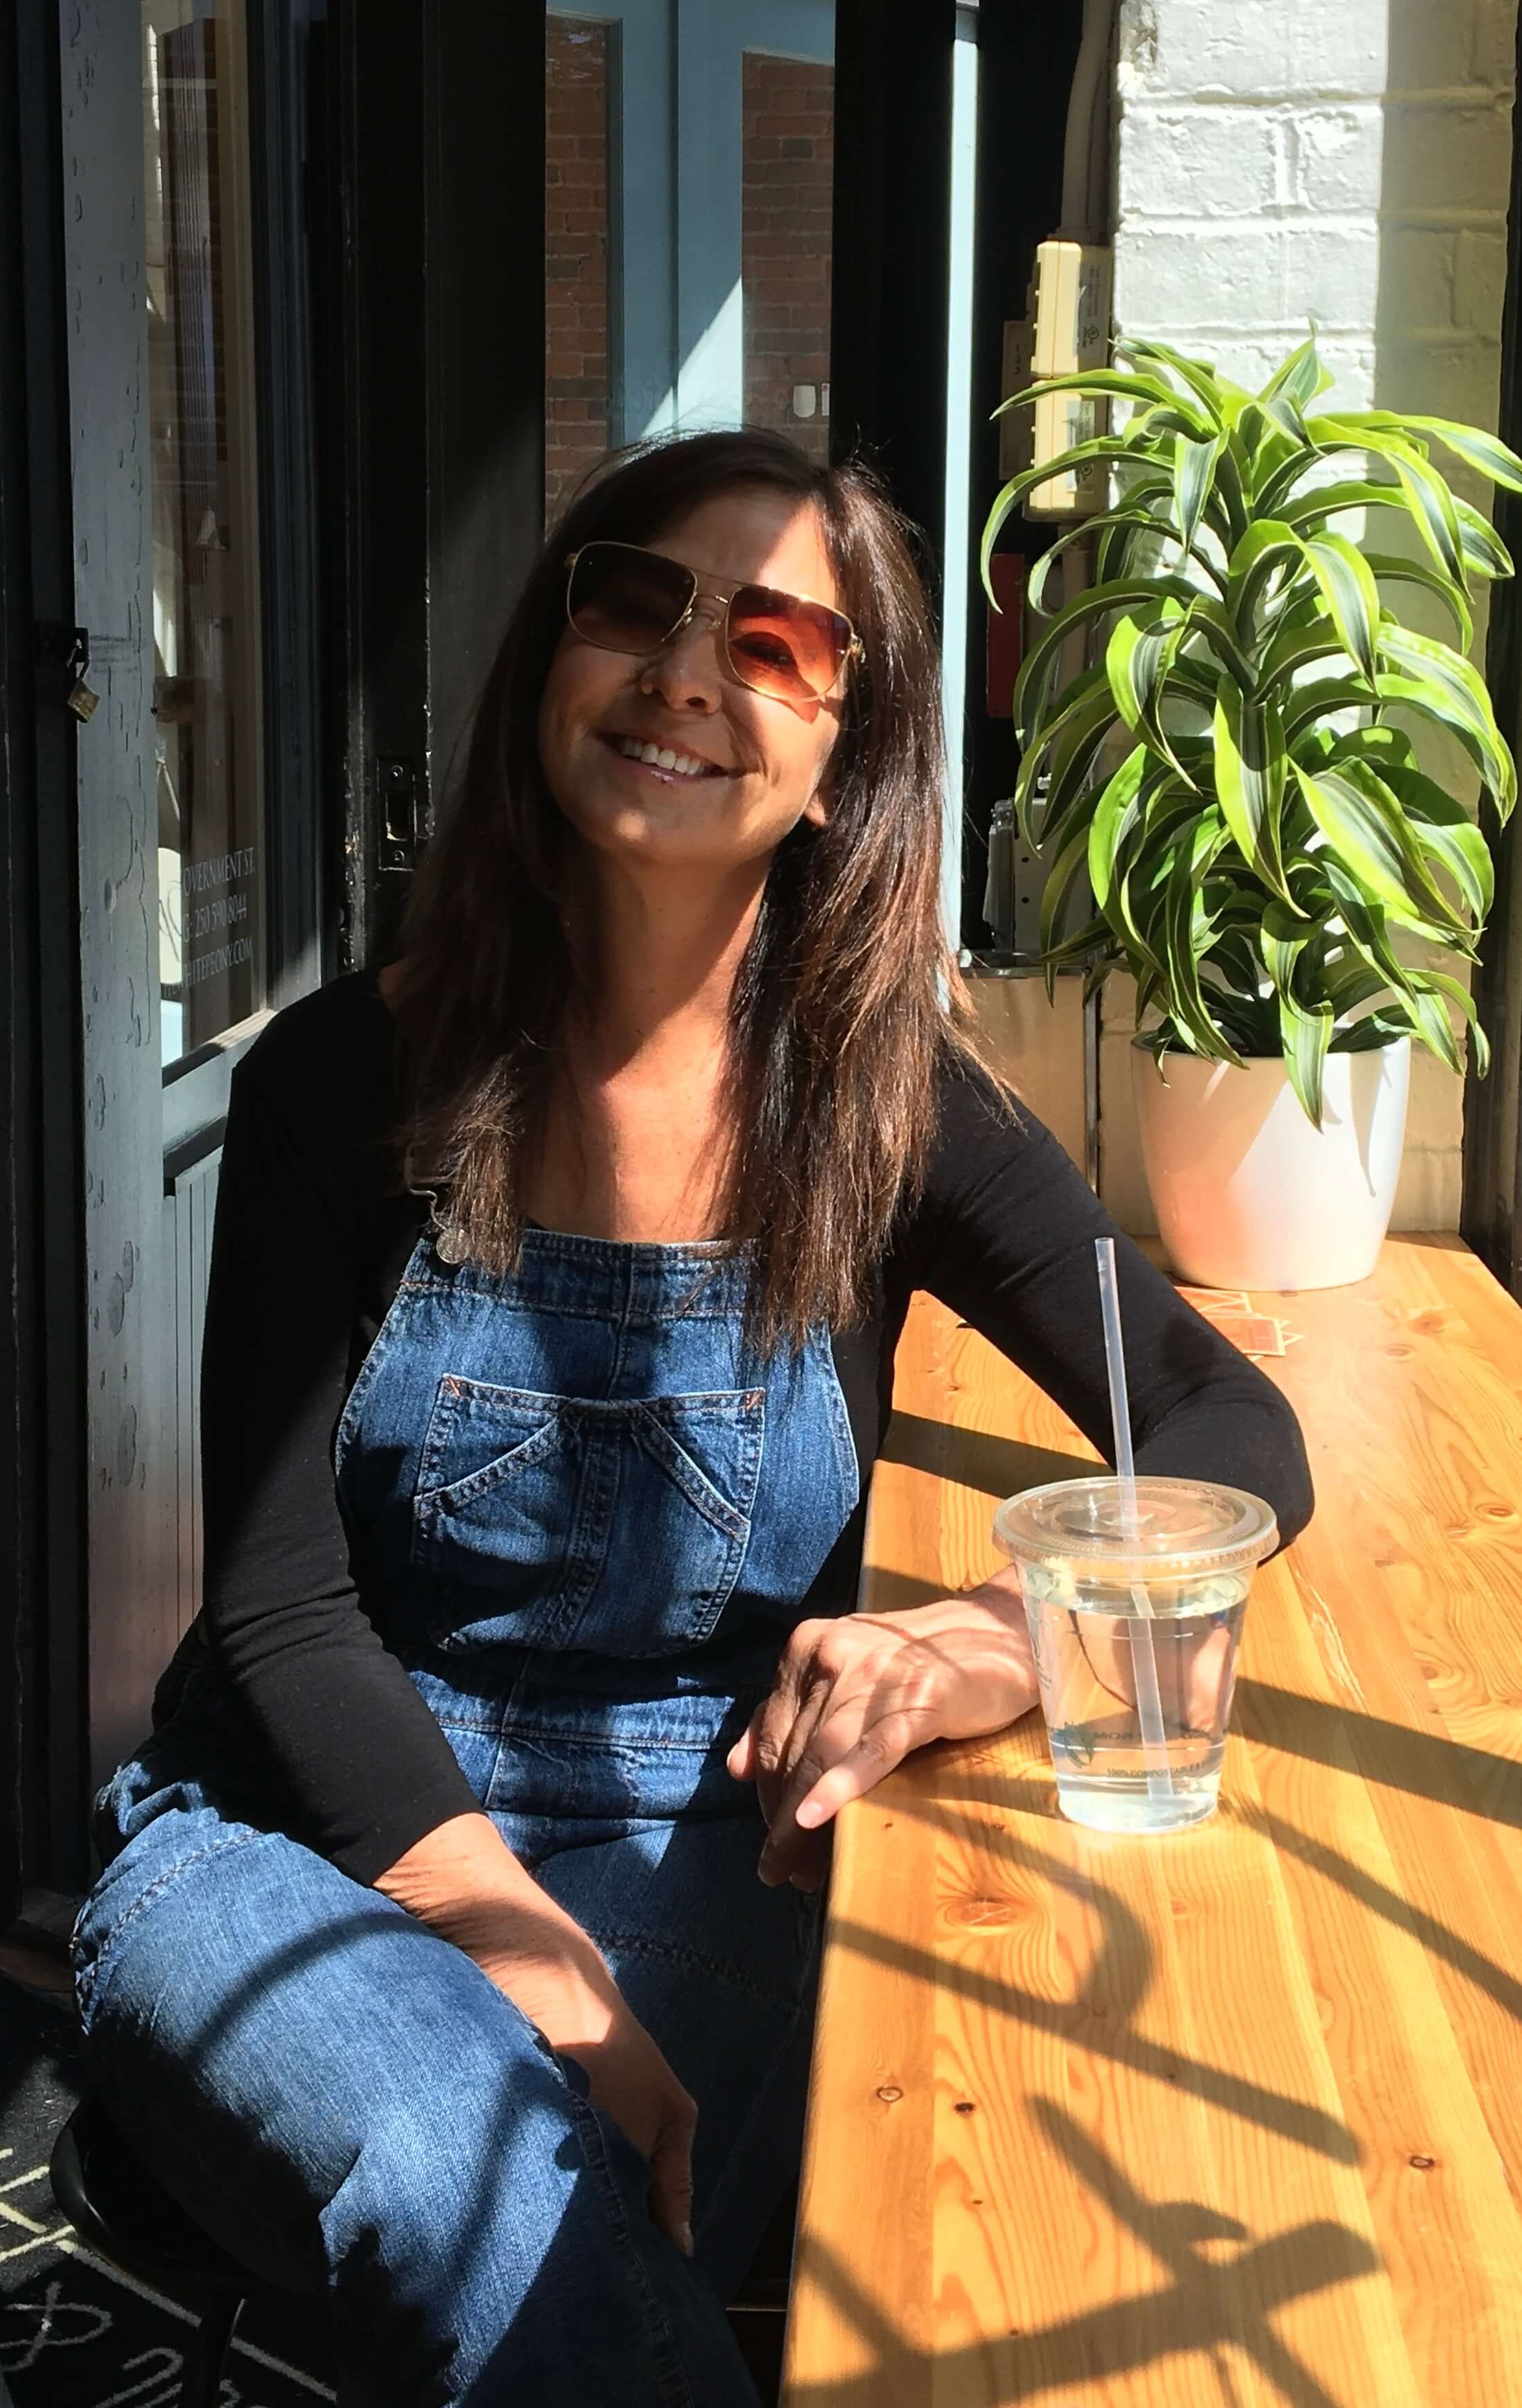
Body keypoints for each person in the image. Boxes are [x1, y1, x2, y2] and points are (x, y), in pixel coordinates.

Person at [70, 429, 1312, 2407]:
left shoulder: (894, 1115)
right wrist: (507, 1936)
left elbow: (1216, 1418)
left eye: (773, 642)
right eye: (632, 602)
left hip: (700, 1834)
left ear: (847, 757)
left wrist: (989, 1645)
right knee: (463, 2169)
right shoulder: (341, 1080)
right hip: (293, 1836)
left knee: (589, 2240)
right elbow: (283, 1611)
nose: (682, 671)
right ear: (548, 658)